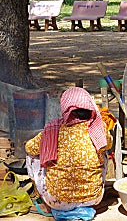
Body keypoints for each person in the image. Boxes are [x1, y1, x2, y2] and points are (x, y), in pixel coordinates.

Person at [25, 87, 114, 215]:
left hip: (57, 201)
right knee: (103, 150)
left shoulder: (53, 128)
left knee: (32, 155)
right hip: (93, 199)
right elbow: (108, 143)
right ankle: (92, 191)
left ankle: (42, 196)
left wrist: (48, 148)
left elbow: (29, 147)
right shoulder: (98, 128)